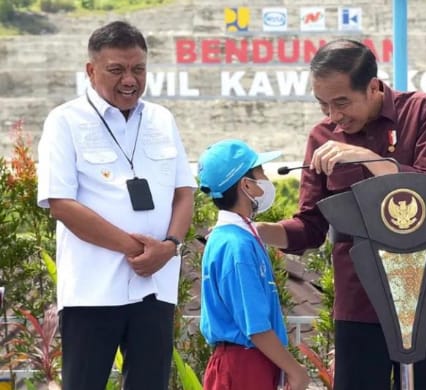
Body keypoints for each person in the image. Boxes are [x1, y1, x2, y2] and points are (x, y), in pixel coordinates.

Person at [256, 39, 426, 390]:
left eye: (342, 102)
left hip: (422, 291)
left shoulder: (421, 112)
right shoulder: (322, 137)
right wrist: (261, 230)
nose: (333, 116)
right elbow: (311, 225)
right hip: (359, 299)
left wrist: (364, 157)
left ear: (374, 87)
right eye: (323, 105)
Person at [36, 21, 196, 390]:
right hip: (93, 289)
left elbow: (183, 192)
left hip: (156, 287)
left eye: (138, 69)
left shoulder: (161, 119)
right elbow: (61, 204)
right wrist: (139, 250)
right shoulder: (65, 121)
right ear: (91, 71)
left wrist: (169, 247)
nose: (130, 80)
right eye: (117, 70)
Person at [197, 139, 310, 390]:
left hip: (248, 361)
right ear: (247, 185)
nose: (265, 179)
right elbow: (255, 326)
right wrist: (296, 370)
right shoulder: (237, 245)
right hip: (244, 366)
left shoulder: (234, 238)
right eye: (260, 173)